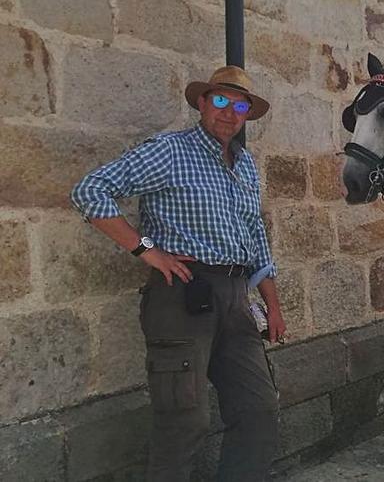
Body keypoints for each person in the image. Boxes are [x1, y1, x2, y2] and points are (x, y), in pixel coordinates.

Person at [71, 66, 284, 481]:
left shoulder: (244, 164)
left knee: (259, 409)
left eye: (239, 105)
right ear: (202, 103)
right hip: (183, 295)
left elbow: (255, 235)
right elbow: (90, 191)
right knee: (183, 421)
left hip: (237, 299)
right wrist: (146, 250)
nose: (229, 112)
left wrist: (273, 306)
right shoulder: (170, 150)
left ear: (247, 114)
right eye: (220, 101)